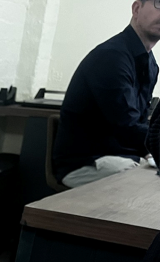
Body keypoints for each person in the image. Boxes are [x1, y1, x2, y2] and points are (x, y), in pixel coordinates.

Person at [53, 0, 160, 188]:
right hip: (85, 163)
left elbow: (139, 124)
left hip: (122, 157)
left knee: (150, 176)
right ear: (136, 9)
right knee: (147, 183)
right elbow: (128, 126)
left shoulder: (150, 65)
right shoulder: (111, 56)